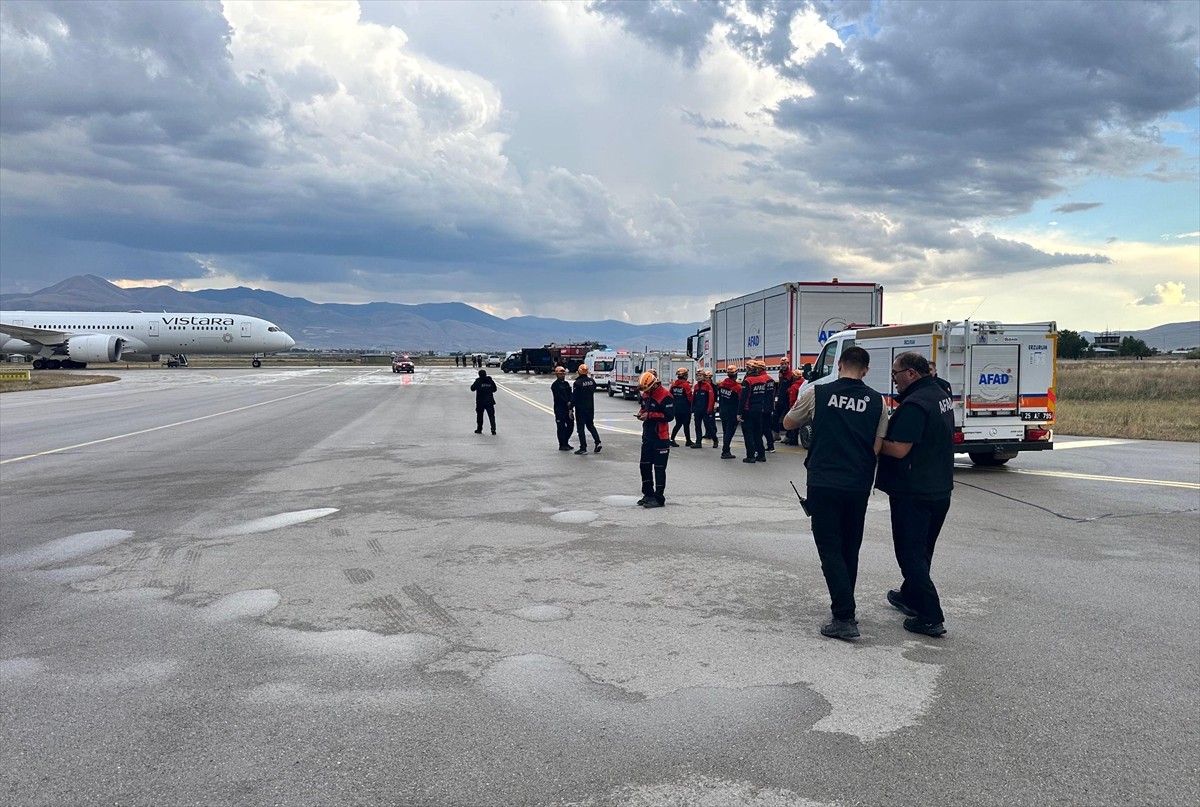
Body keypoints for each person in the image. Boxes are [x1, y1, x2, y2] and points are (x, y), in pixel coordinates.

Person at [783, 346, 887, 641]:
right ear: (866, 370)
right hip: (858, 482)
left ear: (839, 365)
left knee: (829, 547)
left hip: (824, 480)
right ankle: (844, 603)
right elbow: (877, 446)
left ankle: (844, 616)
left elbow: (788, 423)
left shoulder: (817, 393)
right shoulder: (878, 401)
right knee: (849, 546)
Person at [877, 352, 955, 637]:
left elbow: (899, 449)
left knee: (910, 554)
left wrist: (873, 442)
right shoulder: (940, 394)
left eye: (895, 374)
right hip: (939, 488)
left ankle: (930, 616)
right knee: (923, 550)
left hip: (914, 491)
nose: (894, 380)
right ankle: (911, 595)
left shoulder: (915, 404)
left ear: (911, 373)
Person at [635, 370, 673, 508]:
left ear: (654, 384)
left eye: (647, 389)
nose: (645, 392)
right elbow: (643, 408)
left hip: (660, 437)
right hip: (647, 435)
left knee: (659, 468)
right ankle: (648, 494)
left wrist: (650, 415)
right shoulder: (646, 394)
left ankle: (659, 497)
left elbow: (669, 416)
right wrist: (641, 413)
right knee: (644, 465)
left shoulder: (665, 396)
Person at [739, 360, 774, 463]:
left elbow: (743, 398)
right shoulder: (762, 381)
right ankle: (761, 455)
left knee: (748, 433)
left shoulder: (748, 381)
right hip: (759, 410)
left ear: (749, 369)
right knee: (757, 433)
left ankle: (750, 456)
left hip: (748, 410)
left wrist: (739, 412)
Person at [571, 364, 602, 455]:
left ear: (579, 371)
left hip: (580, 409)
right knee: (591, 425)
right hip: (590, 407)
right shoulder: (592, 381)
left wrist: (570, 407)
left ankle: (583, 448)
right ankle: (598, 442)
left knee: (581, 429)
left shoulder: (577, 383)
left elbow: (575, 397)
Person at [716, 365, 742, 459]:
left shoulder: (722, 385)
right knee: (729, 432)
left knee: (725, 431)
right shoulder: (738, 388)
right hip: (732, 413)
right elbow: (740, 401)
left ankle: (726, 450)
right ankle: (725, 451)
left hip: (723, 411)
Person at [668, 368, 694, 447]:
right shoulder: (686, 385)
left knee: (678, 423)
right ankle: (688, 441)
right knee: (686, 424)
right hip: (685, 408)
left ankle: (672, 439)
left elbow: (670, 395)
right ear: (685, 376)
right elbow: (690, 397)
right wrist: (693, 405)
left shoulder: (674, 384)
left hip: (676, 408)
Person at [551, 366, 574, 451]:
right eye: (560, 374)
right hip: (560, 409)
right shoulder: (555, 385)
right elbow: (558, 397)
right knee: (561, 427)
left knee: (570, 426)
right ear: (557, 375)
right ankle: (562, 444)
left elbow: (570, 393)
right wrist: (566, 402)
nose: (562, 375)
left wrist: (571, 402)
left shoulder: (566, 384)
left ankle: (566, 442)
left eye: (563, 374)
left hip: (568, 409)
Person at [690, 370, 715, 449]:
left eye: (700, 375)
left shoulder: (708, 386)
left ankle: (715, 440)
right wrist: (692, 408)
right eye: (697, 375)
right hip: (698, 410)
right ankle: (698, 442)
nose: (698, 377)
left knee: (709, 426)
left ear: (704, 377)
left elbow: (711, 398)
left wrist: (709, 409)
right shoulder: (696, 386)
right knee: (697, 426)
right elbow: (694, 398)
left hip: (705, 410)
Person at [470, 368, 498, 434]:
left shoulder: (478, 381)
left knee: (480, 416)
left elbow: (472, 388)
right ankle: (493, 429)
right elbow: (495, 389)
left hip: (480, 402)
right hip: (489, 401)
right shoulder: (490, 381)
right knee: (491, 416)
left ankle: (479, 429)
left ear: (479, 375)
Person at [773, 364, 797, 442]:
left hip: (788, 399)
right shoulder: (781, 373)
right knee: (775, 415)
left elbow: (793, 387)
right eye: (782, 364)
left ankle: (788, 436)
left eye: (785, 364)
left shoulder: (791, 375)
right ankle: (776, 434)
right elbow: (779, 387)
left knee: (788, 417)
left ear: (788, 364)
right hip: (780, 399)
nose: (783, 365)